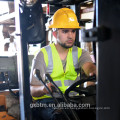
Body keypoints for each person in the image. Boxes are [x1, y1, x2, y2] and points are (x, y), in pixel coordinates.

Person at [30, 8, 96, 120]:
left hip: (73, 100)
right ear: (55, 33)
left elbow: (89, 66)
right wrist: (43, 89)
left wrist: (94, 71)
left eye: (73, 31)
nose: (70, 36)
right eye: (65, 31)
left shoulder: (81, 53)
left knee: (91, 114)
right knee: (60, 117)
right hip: (49, 101)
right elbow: (32, 90)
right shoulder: (43, 54)